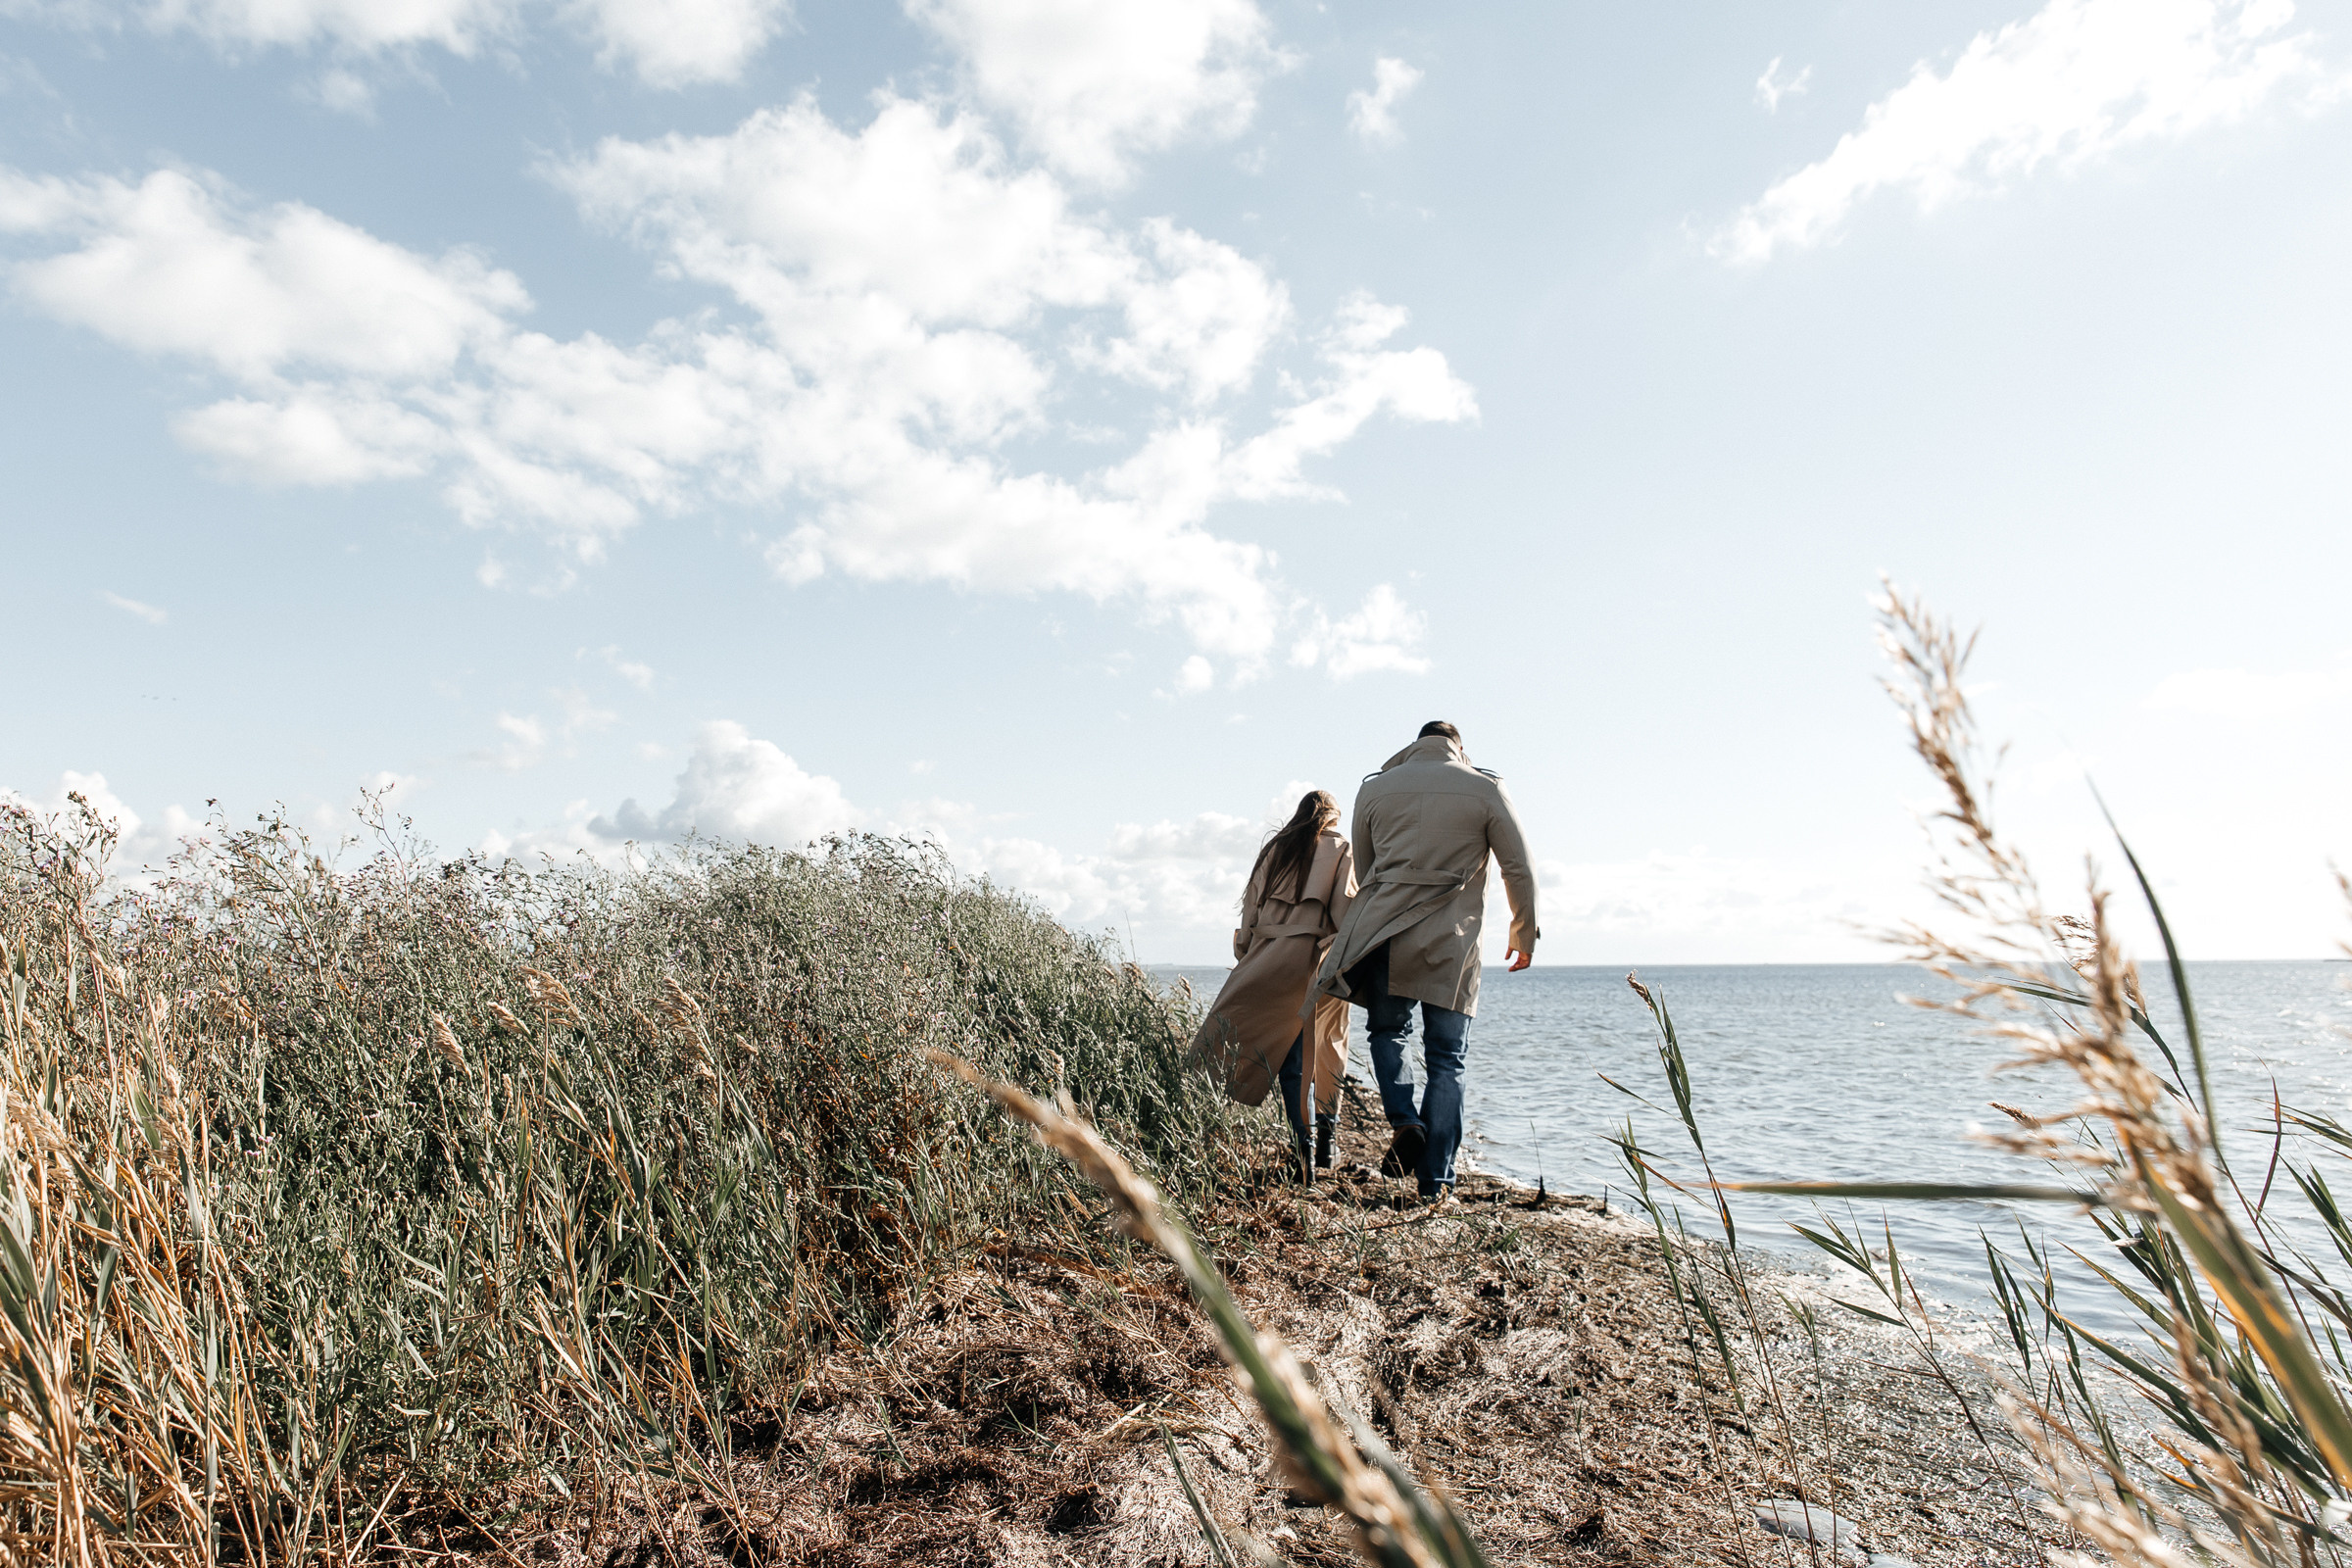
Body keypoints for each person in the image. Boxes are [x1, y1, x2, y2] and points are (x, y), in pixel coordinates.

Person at [1312, 721, 1538, 1200]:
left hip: (1388, 933)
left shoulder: (1375, 788)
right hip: (1454, 943)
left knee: (1387, 1032)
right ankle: (1435, 1183)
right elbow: (1517, 866)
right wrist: (1523, 932)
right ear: (1459, 747)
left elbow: (1367, 870)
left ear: (1416, 744)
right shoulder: (1486, 788)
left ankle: (1405, 1120)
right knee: (1447, 1059)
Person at [1186, 790, 1357, 1179]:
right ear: (1333, 817)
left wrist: (1249, 954)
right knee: (1323, 1052)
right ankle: (1320, 1147)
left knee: (1257, 1055)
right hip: (1314, 964)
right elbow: (1344, 913)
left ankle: (1300, 1150)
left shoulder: (1274, 849)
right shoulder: (1341, 849)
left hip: (1266, 959)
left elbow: (1249, 915)